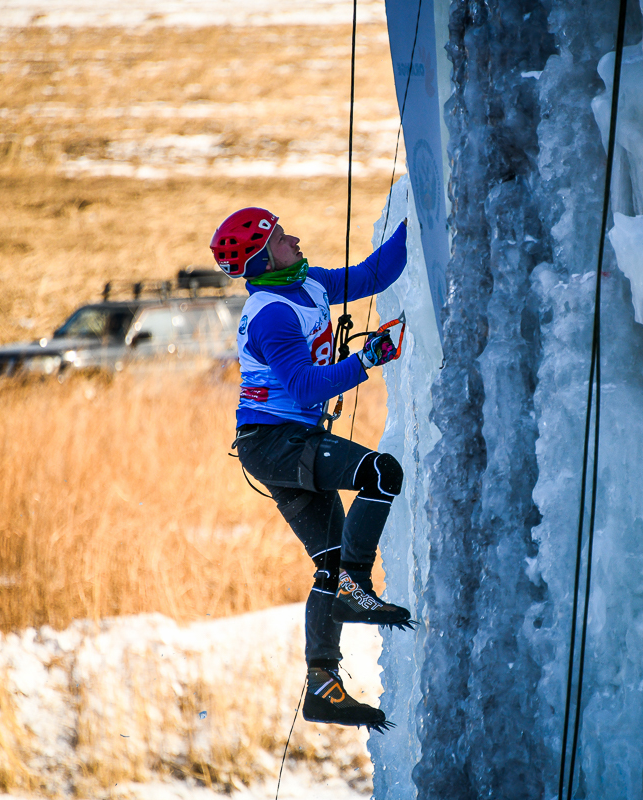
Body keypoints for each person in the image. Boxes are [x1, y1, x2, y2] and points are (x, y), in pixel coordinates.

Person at [211, 207, 411, 732]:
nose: (294, 238)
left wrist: (420, 217)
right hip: (275, 442)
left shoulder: (309, 284)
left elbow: (372, 276)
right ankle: (357, 587)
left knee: (329, 563)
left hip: (288, 441)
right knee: (381, 473)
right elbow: (302, 387)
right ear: (260, 256)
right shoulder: (273, 311)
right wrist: (369, 358)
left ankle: (323, 686)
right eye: (280, 237)